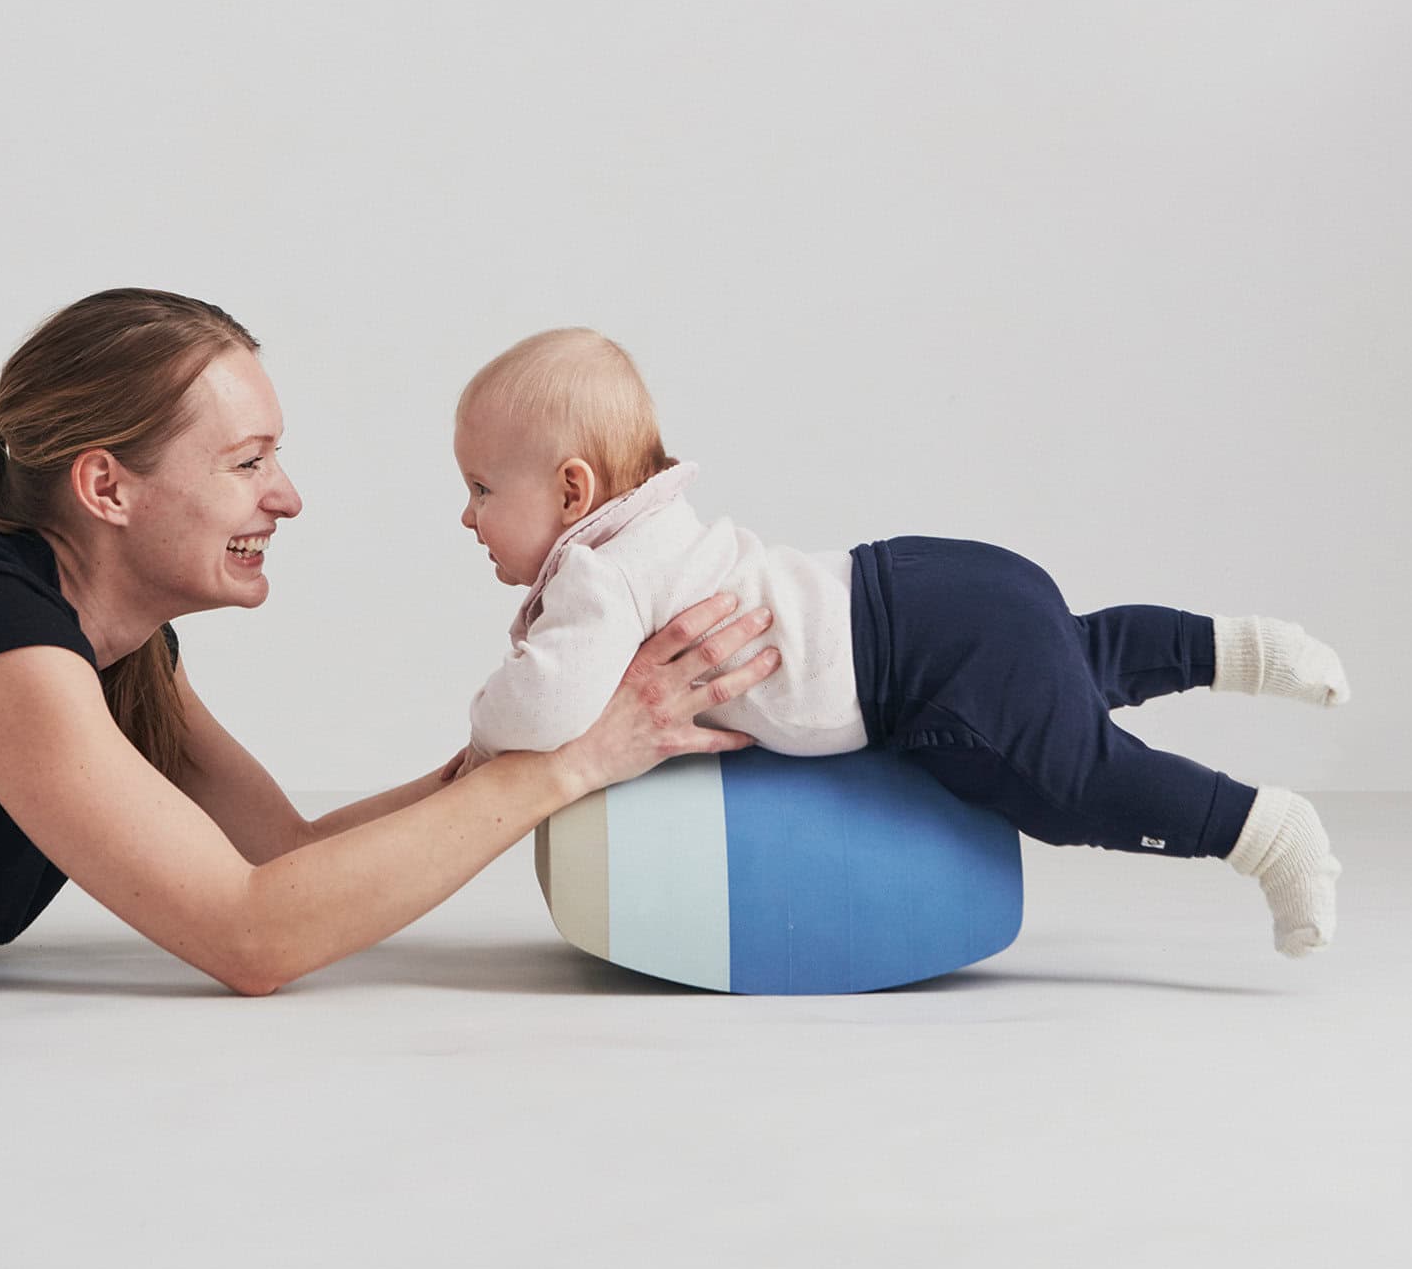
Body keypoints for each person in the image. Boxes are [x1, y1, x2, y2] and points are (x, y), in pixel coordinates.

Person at [0, 289, 781, 990]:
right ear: (105, 485)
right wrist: (571, 761)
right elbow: (251, 935)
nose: (288, 497)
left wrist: (559, 732)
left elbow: (283, 859)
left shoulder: (117, 658)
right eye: (246, 462)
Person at [454, 327, 1349, 959]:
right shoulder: (663, 523)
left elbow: (545, 708)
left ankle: (1268, 833)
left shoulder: (603, 572)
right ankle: (1246, 649)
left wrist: (484, 735)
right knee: (1081, 651)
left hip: (918, 670)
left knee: (1078, 783)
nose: (469, 516)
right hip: (921, 580)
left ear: (575, 491)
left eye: (483, 489)